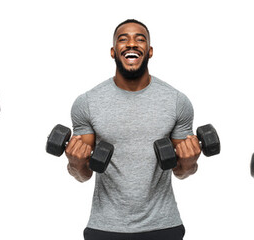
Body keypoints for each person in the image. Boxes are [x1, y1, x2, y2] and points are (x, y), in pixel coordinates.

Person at [65, 19, 202, 240]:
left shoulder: (177, 102)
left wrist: (189, 162)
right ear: (113, 51)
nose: (131, 44)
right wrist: (75, 162)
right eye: (123, 39)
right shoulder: (87, 103)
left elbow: (182, 172)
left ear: (149, 51)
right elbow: (83, 175)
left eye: (140, 39)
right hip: (105, 227)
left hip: (163, 225)